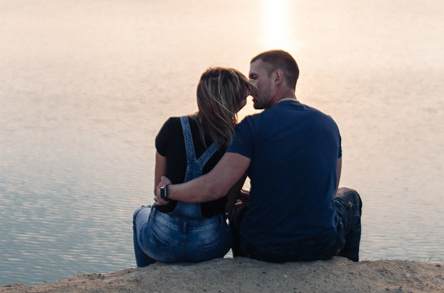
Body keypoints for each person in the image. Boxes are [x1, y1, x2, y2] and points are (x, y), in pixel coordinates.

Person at [157, 50, 361, 263]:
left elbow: (215, 188)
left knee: (236, 214)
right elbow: (328, 192)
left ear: (277, 77)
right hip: (321, 245)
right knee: (350, 197)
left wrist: (168, 190)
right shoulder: (328, 124)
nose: (249, 87)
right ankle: (348, 268)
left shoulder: (251, 127)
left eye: (254, 77)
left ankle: (243, 266)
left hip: (262, 249)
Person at [132, 66, 250, 267]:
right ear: (234, 101)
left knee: (139, 214)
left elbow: (159, 192)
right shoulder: (239, 140)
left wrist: (171, 188)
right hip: (208, 245)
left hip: (162, 240)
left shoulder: (172, 127)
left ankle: (145, 274)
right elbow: (228, 204)